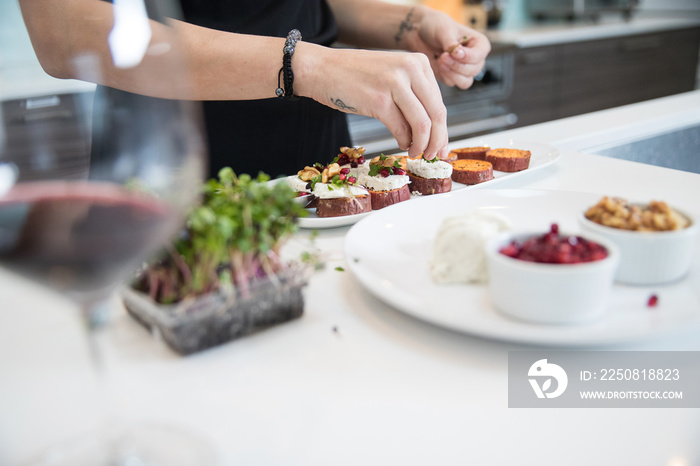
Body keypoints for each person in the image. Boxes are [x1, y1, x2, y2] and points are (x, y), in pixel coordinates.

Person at [19, 0, 491, 178]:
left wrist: (409, 23)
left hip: (318, 180)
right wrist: (308, 65)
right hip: (169, 182)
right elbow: (65, 32)